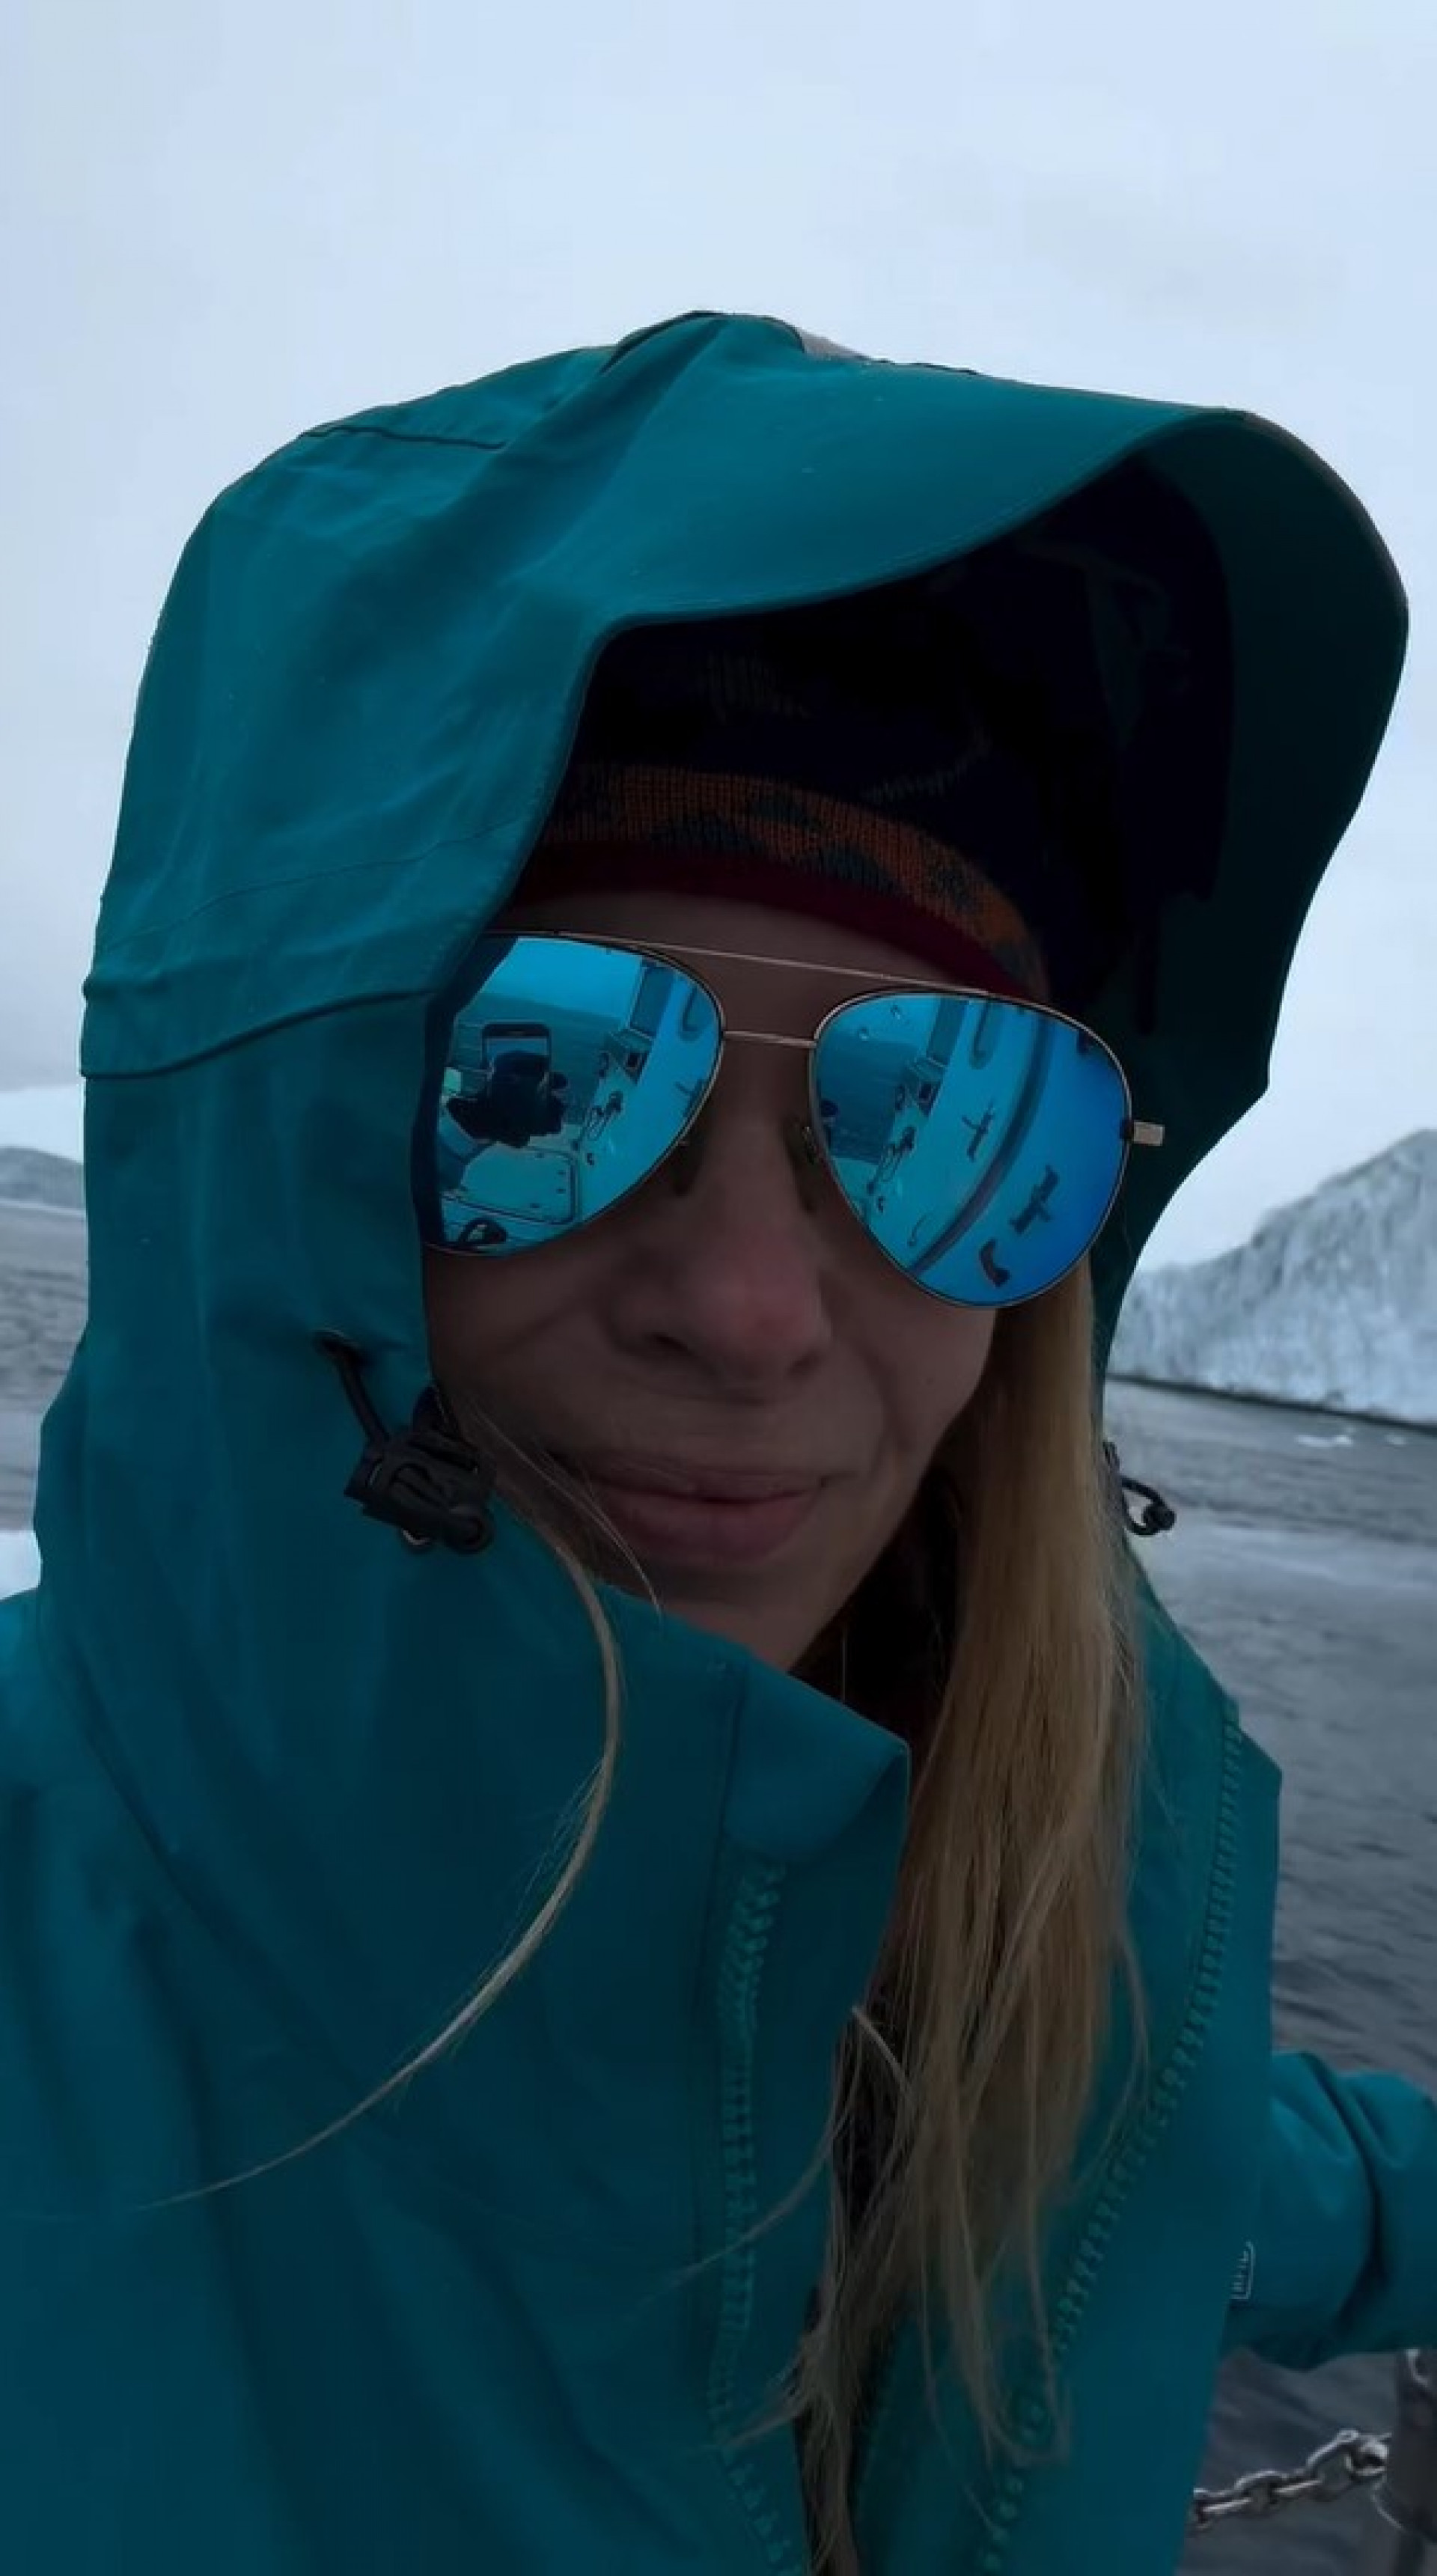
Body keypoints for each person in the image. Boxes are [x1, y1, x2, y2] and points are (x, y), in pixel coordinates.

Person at [1, 311, 1433, 2576]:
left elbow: (1160, 2175)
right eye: (541, 1082)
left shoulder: (984, 1985)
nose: (754, 1306)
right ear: (291, 1139)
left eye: (949, 1117)